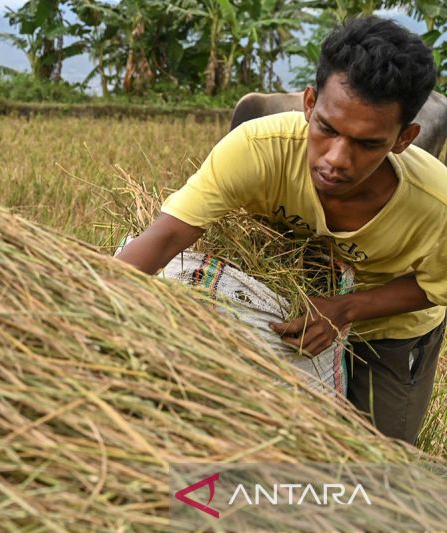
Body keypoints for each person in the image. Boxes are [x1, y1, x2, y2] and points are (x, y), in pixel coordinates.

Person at [116, 15, 447, 445]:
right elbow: (167, 236)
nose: (336, 160)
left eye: (367, 144)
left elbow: (435, 285)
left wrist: (346, 309)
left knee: (377, 457)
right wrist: (93, 300)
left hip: (387, 327)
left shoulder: (435, 204)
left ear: (403, 139)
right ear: (309, 103)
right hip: (289, 304)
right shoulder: (257, 150)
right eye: (327, 129)